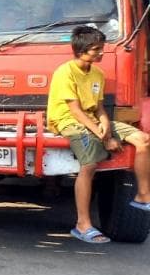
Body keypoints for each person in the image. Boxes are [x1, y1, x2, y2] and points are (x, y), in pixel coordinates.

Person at [46, 25, 150, 243]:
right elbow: (75, 111)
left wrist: (105, 125)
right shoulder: (65, 72)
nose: (102, 52)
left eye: (101, 48)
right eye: (96, 49)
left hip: (91, 120)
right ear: (81, 50)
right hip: (68, 121)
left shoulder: (97, 74)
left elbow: (99, 108)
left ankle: (143, 196)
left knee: (143, 140)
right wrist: (106, 137)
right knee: (89, 165)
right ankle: (82, 225)